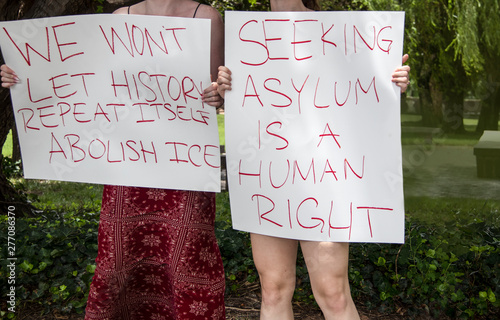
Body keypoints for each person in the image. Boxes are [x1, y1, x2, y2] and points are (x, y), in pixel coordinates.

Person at [1, 1, 226, 319]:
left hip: (183, 166)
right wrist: (22, 76)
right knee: (120, 261)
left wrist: (217, 94)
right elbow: (87, 78)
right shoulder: (121, 17)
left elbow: (217, 91)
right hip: (128, 164)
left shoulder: (206, 18)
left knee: (187, 255)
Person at [216, 0, 410, 319]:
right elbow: (249, 105)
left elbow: (363, 94)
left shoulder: (342, 32)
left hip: (326, 180)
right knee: (274, 288)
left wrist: (392, 81)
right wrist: (227, 89)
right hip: (270, 176)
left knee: (333, 293)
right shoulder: (249, 38)